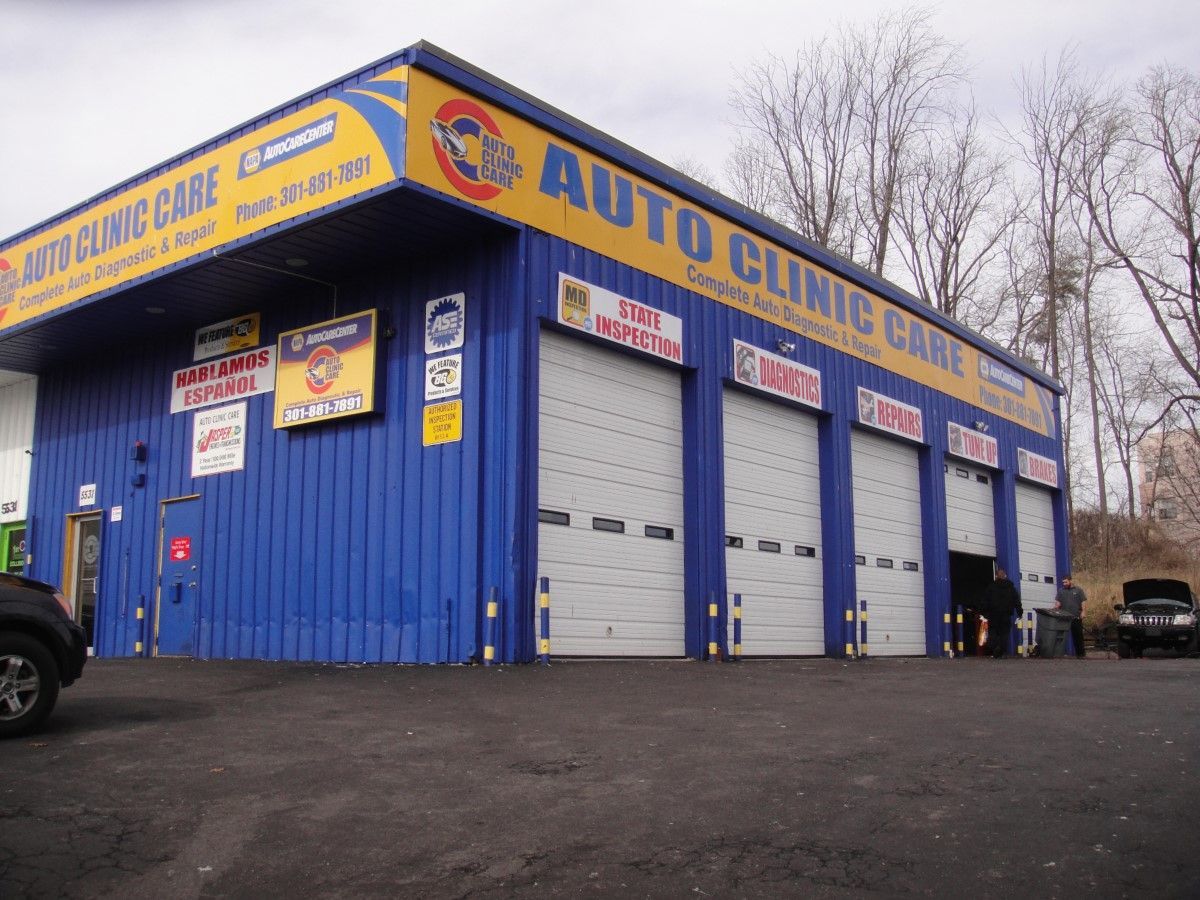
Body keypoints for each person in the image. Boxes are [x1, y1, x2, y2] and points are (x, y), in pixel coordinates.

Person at [980, 568, 1022, 658]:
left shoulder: (991, 587)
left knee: (993, 633)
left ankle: (995, 649)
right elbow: (1017, 601)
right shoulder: (1011, 588)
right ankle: (1001, 651)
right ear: (1005, 576)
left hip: (993, 615)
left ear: (996, 576)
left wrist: (984, 613)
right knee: (1004, 634)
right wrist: (1020, 613)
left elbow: (985, 601)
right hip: (1006, 615)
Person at [1054, 573, 1088, 658]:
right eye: (1063, 583)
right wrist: (1053, 610)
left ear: (1070, 581)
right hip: (1064, 618)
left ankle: (1080, 654)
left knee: (1078, 636)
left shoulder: (1078, 590)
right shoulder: (1061, 591)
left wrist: (1083, 612)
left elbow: (1083, 602)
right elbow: (1058, 603)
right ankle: (1059, 653)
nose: (1064, 584)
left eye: (1066, 582)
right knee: (1060, 636)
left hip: (1076, 617)